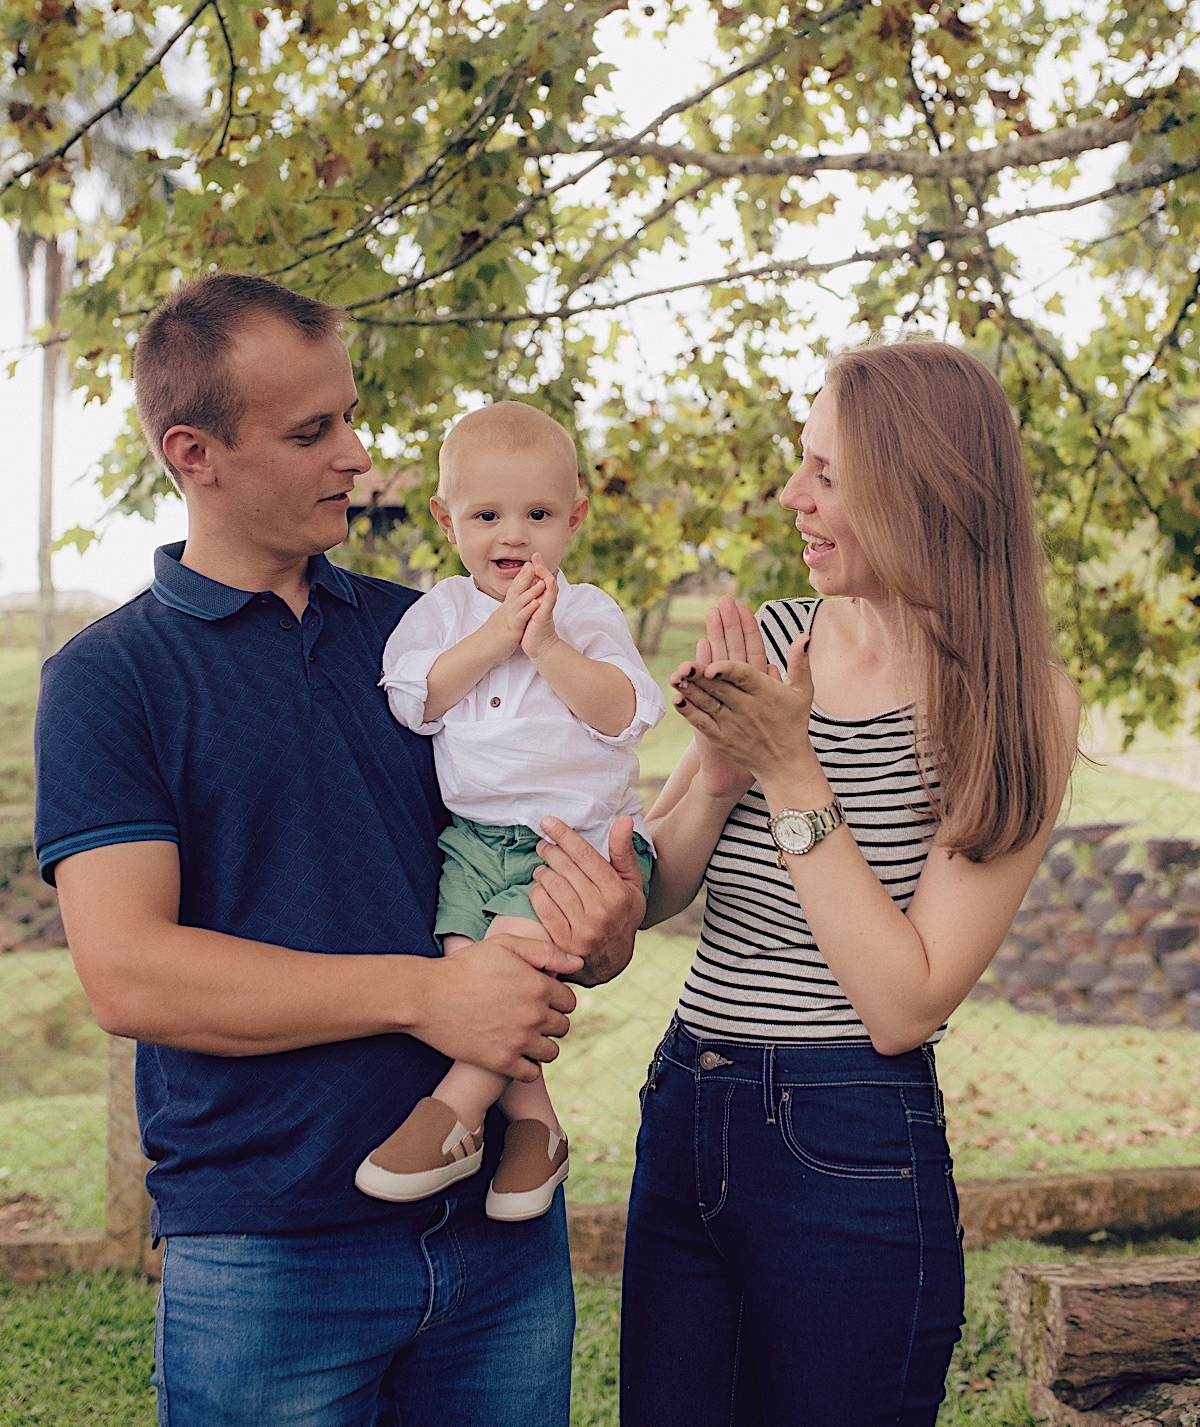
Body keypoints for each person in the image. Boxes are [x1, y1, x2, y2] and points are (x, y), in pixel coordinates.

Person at [33, 273, 648, 1427]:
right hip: (269, 1255)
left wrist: (602, 929)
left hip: (499, 1245)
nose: (357, 456)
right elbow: (130, 972)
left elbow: (517, 854)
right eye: (313, 430)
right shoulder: (111, 679)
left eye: (352, 417)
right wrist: (431, 998)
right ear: (193, 453)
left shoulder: (433, 633)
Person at [620, 340, 1080, 1427]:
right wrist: (721, 777)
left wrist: (789, 767)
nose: (794, 496)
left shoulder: (1015, 702)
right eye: (801, 463)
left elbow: (905, 1000)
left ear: (920, 488)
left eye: (828, 473)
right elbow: (660, 888)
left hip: (847, 1141)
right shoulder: (780, 637)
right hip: (688, 1099)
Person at [355, 401, 664, 1220]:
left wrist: (549, 648)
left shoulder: (588, 612)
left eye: (537, 515)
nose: (512, 536)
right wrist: (496, 638)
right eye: (486, 515)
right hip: (475, 841)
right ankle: (535, 1124)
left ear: (575, 519)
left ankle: (455, 1111)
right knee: (468, 963)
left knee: (516, 961)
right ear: (445, 518)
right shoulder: (445, 613)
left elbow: (626, 711)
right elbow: (415, 702)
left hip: (576, 846)